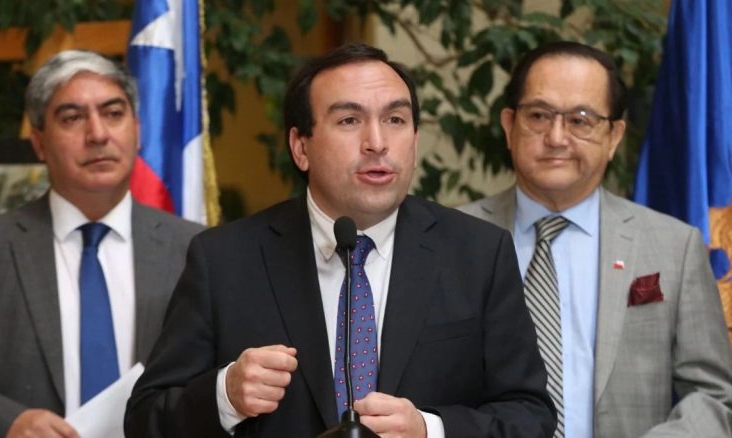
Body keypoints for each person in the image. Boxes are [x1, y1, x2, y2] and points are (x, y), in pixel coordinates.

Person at [125, 42, 556, 437]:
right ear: (301, 147)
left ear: (415, 141)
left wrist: (431, 430)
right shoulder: (224, 260)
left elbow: (530, 416)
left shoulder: (478, 253)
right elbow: (146, 419)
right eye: (350, 120)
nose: (377, 143)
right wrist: (225, 396)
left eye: (395, 120)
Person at [459, 41, 732, 437]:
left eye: (581, 120)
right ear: (509, 125)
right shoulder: (452, 238)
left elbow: (714, 394)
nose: (556, 137)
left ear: (614, 136)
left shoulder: (675, 246)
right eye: (539, 115)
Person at [0, 50, 204, 437]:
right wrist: (6, 422)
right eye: (72, 118)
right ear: (39, 143)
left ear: (137, 129)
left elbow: (214, 382)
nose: (98, 134)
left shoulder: (194, 248)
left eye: (113, 113)